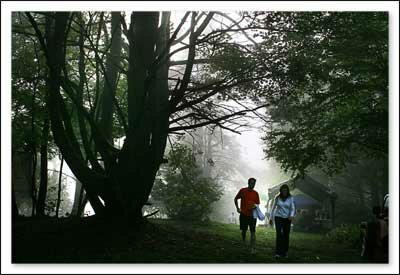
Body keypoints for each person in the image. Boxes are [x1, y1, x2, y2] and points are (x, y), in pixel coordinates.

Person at [234, 178, 260, 254]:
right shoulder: (242, 190)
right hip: (243, 214)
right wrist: (237, 208)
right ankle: (244, 244)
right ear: (248, 183)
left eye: (254, 183)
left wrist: (255, 207)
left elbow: (257, 204)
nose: (253, 184)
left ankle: (252, 248)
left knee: (253, 232)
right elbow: (235, 199)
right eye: (251, 183)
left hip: (252, 216)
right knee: (244, 231)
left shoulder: (256, 193)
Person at [269, 184, 295, 259]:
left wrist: (291, 215)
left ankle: (285, 252)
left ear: (287, 191)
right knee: (279, 234)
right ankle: (278, 253)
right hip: (278, 217)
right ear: (280, 191)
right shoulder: (277, 198)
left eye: (285, 190)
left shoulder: (290, 198)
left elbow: (293, 208)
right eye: (283, 190)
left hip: (287, 218)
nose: (284, 191)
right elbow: (273, 208)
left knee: (286, 235)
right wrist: (270, 218)